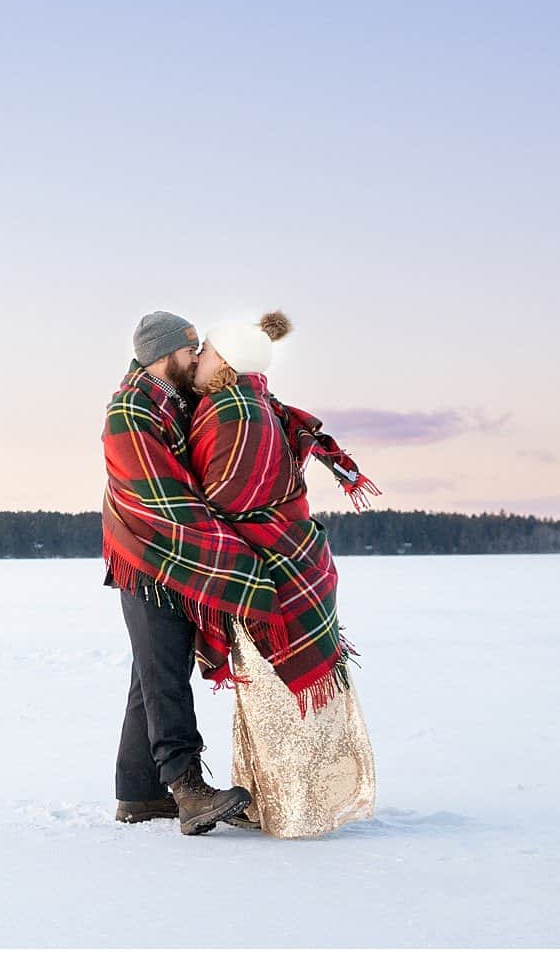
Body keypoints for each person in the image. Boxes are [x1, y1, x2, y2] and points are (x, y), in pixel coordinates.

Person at [185, 310, 379, 838]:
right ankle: (287, 801)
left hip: (269, 571)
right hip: (290, 561)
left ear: (223, 360)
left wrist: (182, 530)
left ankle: (297, 811)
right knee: (274, 695)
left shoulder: (235, 412)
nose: (195, 361)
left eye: (203, 352)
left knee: (276, 695)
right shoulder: (255, 404)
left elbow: (229, 498)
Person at [101, 310, 271, 836]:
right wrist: (234, 554)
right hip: (146, 559)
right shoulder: (130, 412)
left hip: (162, 562)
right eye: (189, 349)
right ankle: (187, 788)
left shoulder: (172, 401)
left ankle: (140, 795)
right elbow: (163, 501)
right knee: (164, 679)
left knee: (151, 677)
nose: (196, 357)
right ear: (162, 354)